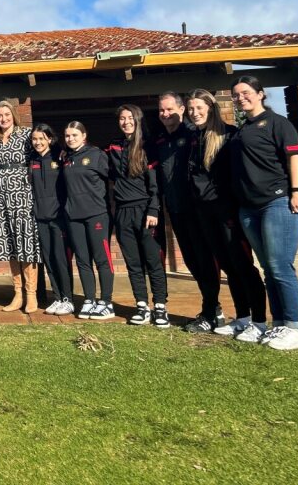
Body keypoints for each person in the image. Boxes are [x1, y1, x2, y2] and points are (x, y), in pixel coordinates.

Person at [229, 76, 298, 350]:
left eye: (246, 92)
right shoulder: (242, 130)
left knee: (280, 266)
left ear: (260, 94)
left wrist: (297, 190)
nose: (240, 98)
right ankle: (280, 325)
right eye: (236, 95)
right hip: (249, 208)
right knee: (269, 269)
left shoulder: (278, 123)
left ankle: (296, 328)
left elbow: (294, 157)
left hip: (277, 202)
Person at [186, 89, 268, 342]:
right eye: (191, 109)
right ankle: (242, 318)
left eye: (199, 108)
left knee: (243, 265)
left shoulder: (229, 135)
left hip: (228, 210)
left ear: (211, 108)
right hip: (204, 211)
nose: (194, 113)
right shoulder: (194, 138)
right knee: (228, 266)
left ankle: (259, 321)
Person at [154, 91, 224, 331]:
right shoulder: (160, 140)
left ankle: (211, 312)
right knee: (192, 261)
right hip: (176, 210)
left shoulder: (193, 134)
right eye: (161, 110)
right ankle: (213, 310)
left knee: (205, 260)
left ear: (181, 109)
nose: (165, 114)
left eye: (170, 109)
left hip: (198, 209)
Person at [108, 105, 169, 328]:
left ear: (138, 119)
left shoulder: (148, 146)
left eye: (130, 118)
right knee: (133, 264)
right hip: (123, 213)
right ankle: (142, 306)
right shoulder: (113, 147)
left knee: (153, 262)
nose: (126, 122)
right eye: (122, 118)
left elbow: (155, 184)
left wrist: (153, 210)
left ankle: (160, 307)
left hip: (145, 212)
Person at [0, 100, 42, 313]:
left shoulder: (26, 135)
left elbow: (39, 156)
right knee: (9, 244)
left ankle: (31, 294)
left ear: (13, 115)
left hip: (22, 196)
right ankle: (17, 294)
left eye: (7, 114)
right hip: (0, 198)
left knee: (25, 243)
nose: (3, 119)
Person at [61, 121, 115, 320]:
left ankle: (106, 302)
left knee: (102, 259)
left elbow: (114, 178)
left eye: (75, 135)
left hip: (96, 215)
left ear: (84, 136)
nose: (70, 139)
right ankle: (89, 300)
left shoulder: (96, 154)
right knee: (83, 260)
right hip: (74, 217)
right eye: (67, 136)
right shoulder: (66, 158)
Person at [29, 123, 74, 315]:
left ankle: (68, 299)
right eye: (34, 139)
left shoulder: (60, 157)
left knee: (61, 259)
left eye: (42, 138)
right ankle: (57, 298)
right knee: (48, 259)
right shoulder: (32, 160)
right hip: (40, 218)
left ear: (49, 139)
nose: (38, 142)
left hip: (58, 218)